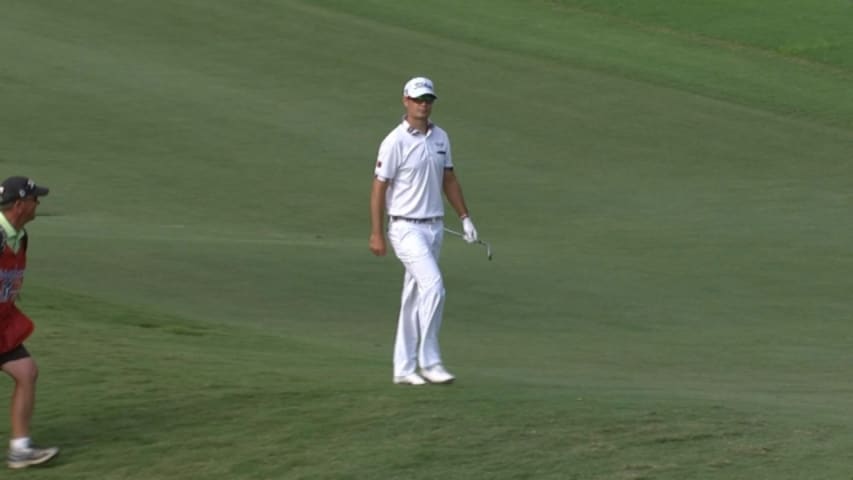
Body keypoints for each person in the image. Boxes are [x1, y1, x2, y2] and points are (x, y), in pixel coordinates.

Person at [369, 77, 480, 386]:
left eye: (428, 99)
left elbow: (449, 179)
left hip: (434, 227)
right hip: (405, 227)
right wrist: (377, 233)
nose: (423, 104)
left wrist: (465, 218)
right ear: (406, 100)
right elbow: (379, 188)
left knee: (413, 296)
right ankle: (430, 362)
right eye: (418, 99)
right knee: (433, 286)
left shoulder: (441, 137)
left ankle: (403, 370)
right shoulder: (394, 141)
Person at [0, 176, 59, 469]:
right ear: (20, 205)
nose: (38, 204)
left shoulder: (19, 236)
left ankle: (20, 449)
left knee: (26, 371)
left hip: (2, 323)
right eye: (35, 199)